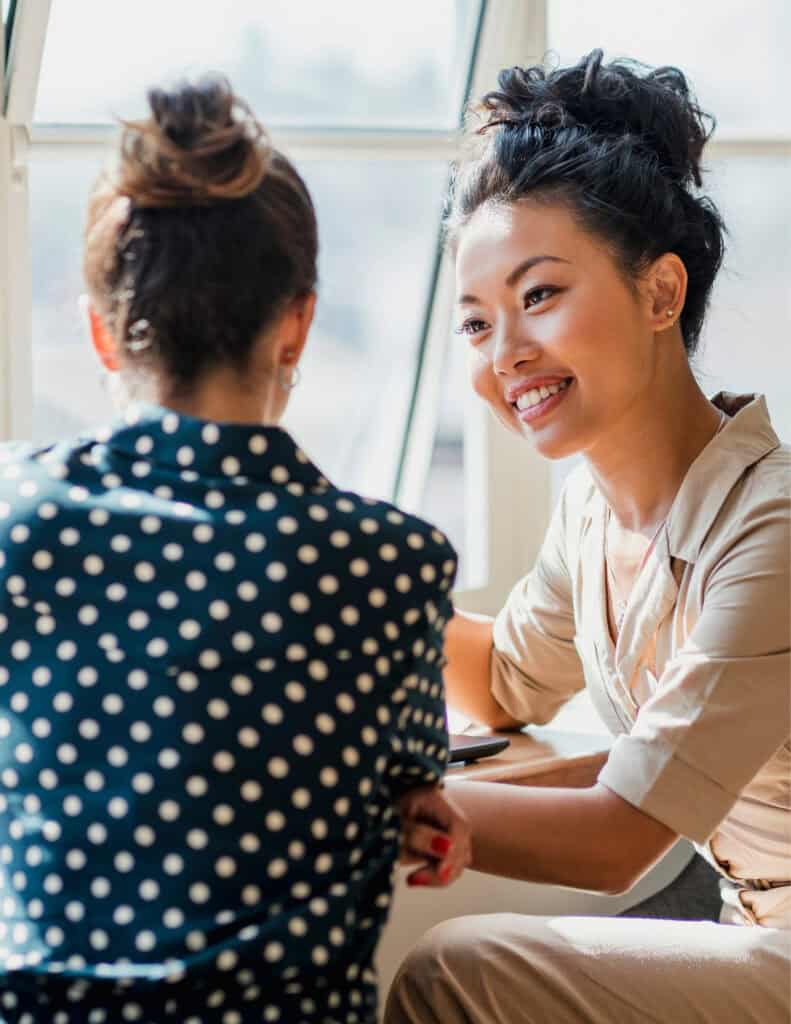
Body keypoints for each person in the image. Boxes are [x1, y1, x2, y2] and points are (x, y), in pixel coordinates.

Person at [0, 77, 469, 1024]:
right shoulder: (392, 563)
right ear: (295, 320)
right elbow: (414, 792)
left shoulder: (15, 521)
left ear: (102, 331)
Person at [387, 50, 791, 1023]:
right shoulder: (592, 510)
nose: (505, 354)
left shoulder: (770, 528)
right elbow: (506, 681)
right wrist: (351, 580)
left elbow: (620, 837)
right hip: (753, 929)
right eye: (476, 325)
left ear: (660, 294)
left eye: (538, 297)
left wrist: (350, 802)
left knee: (457, 970)